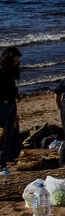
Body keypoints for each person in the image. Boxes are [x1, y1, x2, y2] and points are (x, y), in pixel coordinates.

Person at [0, 46, 21, 176]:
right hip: (2, 105)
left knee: (10, 133)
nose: (16, 64)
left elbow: (12, 87)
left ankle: (4, 163)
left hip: (10, 105)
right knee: (4, 135)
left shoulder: (10, 72)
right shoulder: (1, 72)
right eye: (14, 61)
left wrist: (16, 94)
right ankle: (2, 164)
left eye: (17, 62)